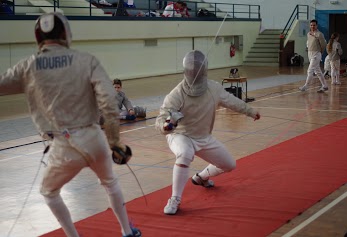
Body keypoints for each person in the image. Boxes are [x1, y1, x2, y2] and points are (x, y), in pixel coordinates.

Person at [0, 12, 141, 237]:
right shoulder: (87, 60)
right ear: (66, 33)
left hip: (62, 145)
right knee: (110, 182)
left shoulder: (29, 66)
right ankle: (127, 231)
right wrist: (114, 141)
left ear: (38, 36)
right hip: (94, 138)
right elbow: (109, 105)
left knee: (49, 192)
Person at [155, 50, 260, 215]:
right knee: (184, 153)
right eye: (192, 72)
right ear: (186, 72)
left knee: (229, 164)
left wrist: (250, 111)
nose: (194, 74)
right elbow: (161, 120)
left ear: (203, 71)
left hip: (204, 137)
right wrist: (166, 127)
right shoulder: (176, 94)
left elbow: (232, 101)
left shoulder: (214, 88)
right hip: (181, 135)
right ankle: (175, 198)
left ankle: (201, 177)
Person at [299, 19, 328, 93]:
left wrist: (320, 52)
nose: (312, 26)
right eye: (311, 25)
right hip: (310, 53)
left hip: (316, 54)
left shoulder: (319, 34)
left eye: (314, 25)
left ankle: (306, 86)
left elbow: (324, 44)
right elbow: (309, 43)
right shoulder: (308, 34)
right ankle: (324, 85)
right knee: (318, 71)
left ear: (317, 26)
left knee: (310, 70)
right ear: (310, 26)